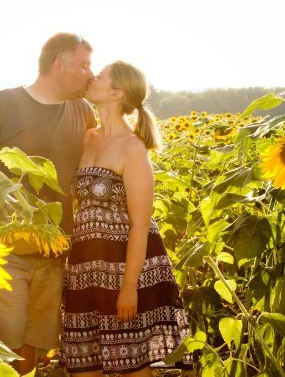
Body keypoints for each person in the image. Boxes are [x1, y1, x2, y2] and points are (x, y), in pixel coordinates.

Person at [0, 33, 96, 374]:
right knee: (0, 341)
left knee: (33, 343)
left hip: (54, 251)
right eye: (83, 65)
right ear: (59, 65)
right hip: (4, 250)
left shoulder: (83, 112)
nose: (89, 74)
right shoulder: (1, 104)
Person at [60, 61, 193, 375]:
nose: (93, 77)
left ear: (116, 92)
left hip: (126, 268)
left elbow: (140, 224)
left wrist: (129, 287)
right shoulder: (88, 136)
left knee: (130, 366)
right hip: (86, 268)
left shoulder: (133, 147)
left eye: (101, 76)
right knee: (83, 365)